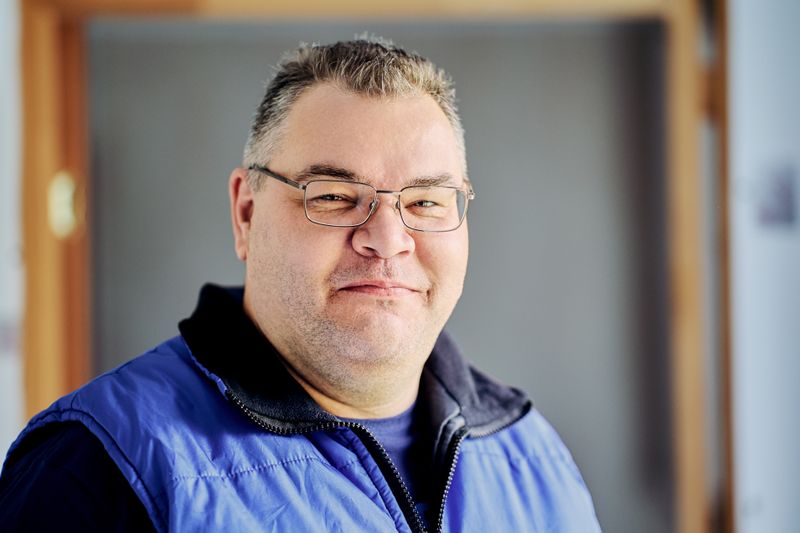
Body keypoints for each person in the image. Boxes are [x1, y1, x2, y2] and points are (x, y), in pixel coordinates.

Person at [0, 38, 601, 532]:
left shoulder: (533, 455)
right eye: (334, 197)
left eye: (425, 201)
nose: (387, 239)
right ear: (246, 213)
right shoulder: (101, 465)